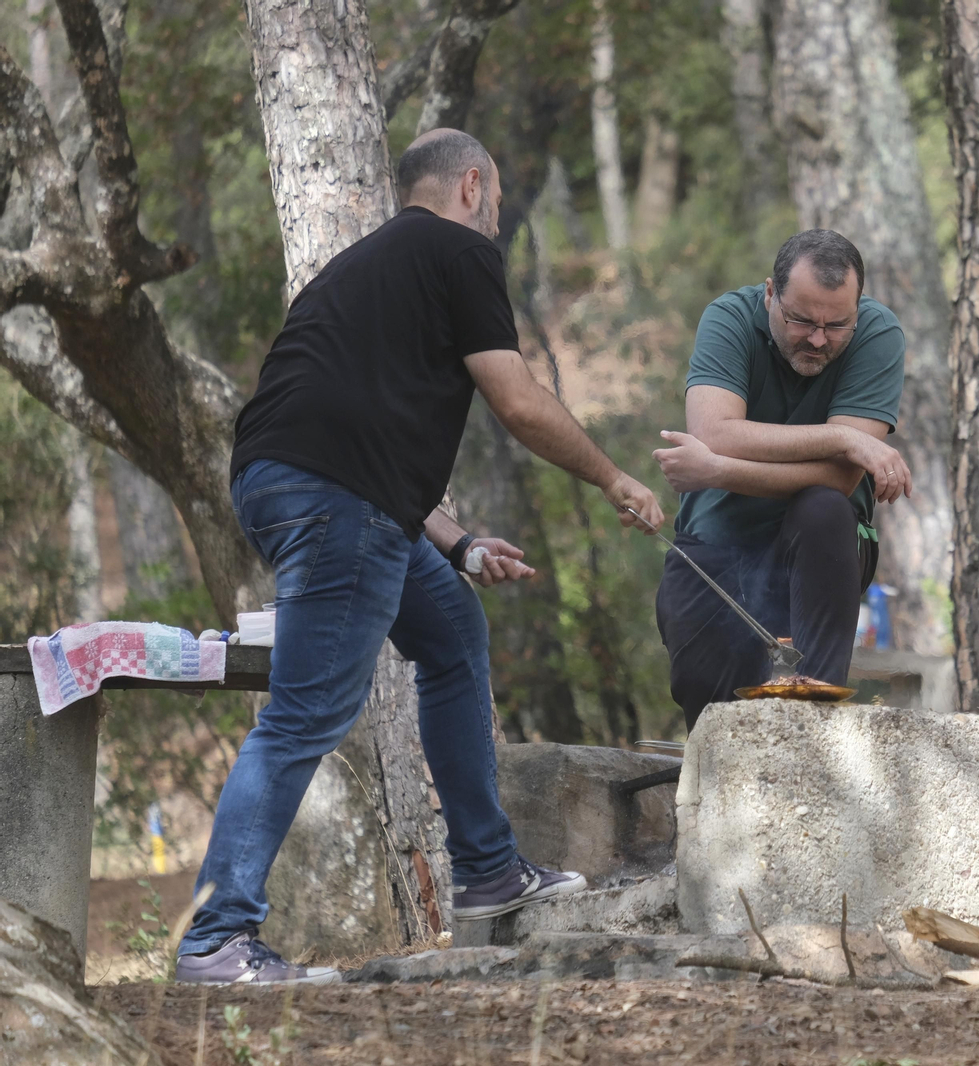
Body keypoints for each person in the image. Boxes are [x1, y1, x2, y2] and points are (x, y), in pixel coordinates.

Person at [175, 129, 665, 985]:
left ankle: (487, 872)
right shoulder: (458, 251)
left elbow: (356, 420)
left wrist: (460, 541)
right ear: (472, 185)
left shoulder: (358, 267)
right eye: (501, 201)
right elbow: (516, 400)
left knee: (449, 632)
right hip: (338, 500)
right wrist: (611, 477)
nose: (497, 217)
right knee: (306, 716)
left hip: (278, 485)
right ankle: (216, 939)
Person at [652, 230, 911, 729]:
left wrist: (719, 470)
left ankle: (813, 727)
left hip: (821, 551)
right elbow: (715, 430)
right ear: (771, 293)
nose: (818, 339)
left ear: (858, 308)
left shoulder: (878, 333)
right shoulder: (728, 317)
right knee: (712, 711)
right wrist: (845, 439)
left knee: (824, 507)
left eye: (837, 325)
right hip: (716, 540)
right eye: (801, 320)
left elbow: (837, 481)